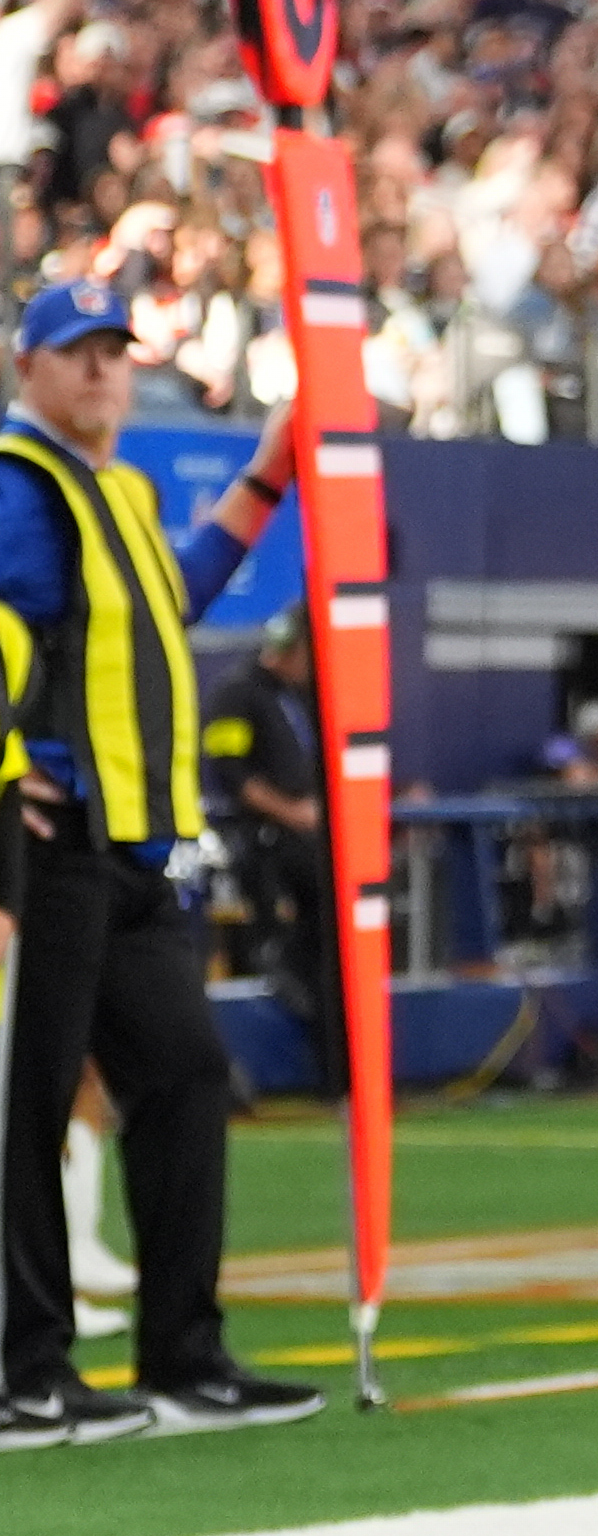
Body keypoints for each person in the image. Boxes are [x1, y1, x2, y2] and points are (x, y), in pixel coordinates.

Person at [0, 281, 309, 1441]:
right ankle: (24, 1369)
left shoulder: (114, 490)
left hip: (131, 850)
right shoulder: (18, 484)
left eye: (114, 352)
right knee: (28, 1107)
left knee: (182, 1076)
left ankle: (182, 1353)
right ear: (25, 368)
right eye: (75, 351)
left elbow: (171, 599)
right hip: (53, 849)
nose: (100, 370)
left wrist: (269, 474)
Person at [199, 605, 326, 1062]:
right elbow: (231, 775)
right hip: (264, 845)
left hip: (308, 840)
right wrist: (292, 813)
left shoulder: (297, 697)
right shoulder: (236, 694)